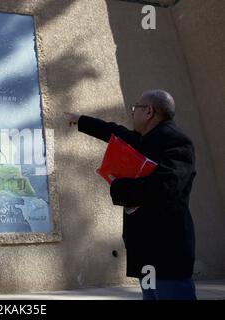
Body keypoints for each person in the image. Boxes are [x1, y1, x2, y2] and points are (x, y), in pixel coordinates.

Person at [64, 89, 197, 300]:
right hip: (145, 250)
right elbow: (113, 133)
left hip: (166, 250)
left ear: (149, 112)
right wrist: (81, 120)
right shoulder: (144, 140)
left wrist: (118, 185)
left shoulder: (176, 142)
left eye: (136, 108)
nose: (132, 112)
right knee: (151, 296)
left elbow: (164, 186)